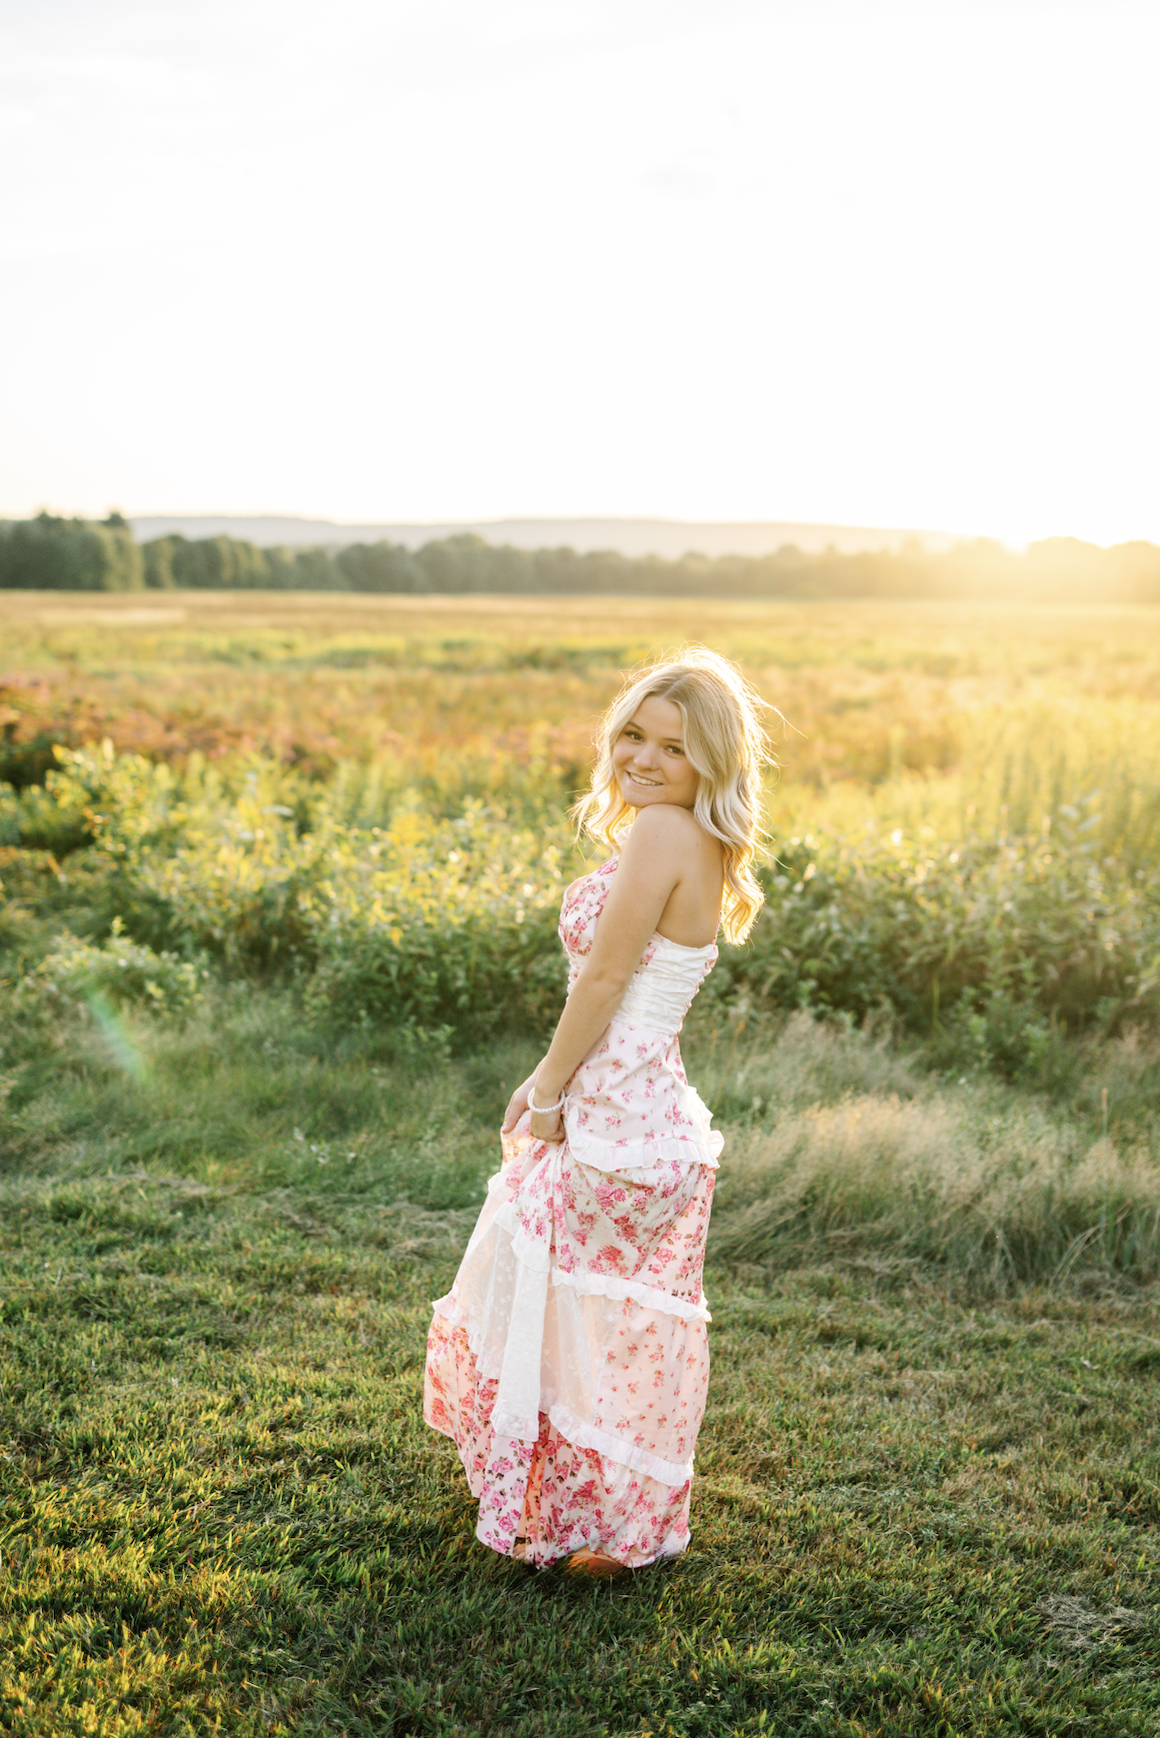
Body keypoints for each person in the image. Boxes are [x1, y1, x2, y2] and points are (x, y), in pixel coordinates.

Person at [423, 647, 770, 1576]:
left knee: (568, 1312)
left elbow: (610, 977)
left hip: (613, 1120)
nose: (644, 760)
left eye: (674, 746)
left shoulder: (661, 833)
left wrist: (549, 1092)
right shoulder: (698, 838)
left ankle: (589, 1519)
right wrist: (550, 1075)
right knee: (602, 1325)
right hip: (644, 1111)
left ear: (712, 762)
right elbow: (612, 983)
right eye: (633, 735)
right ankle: (608, 1525)